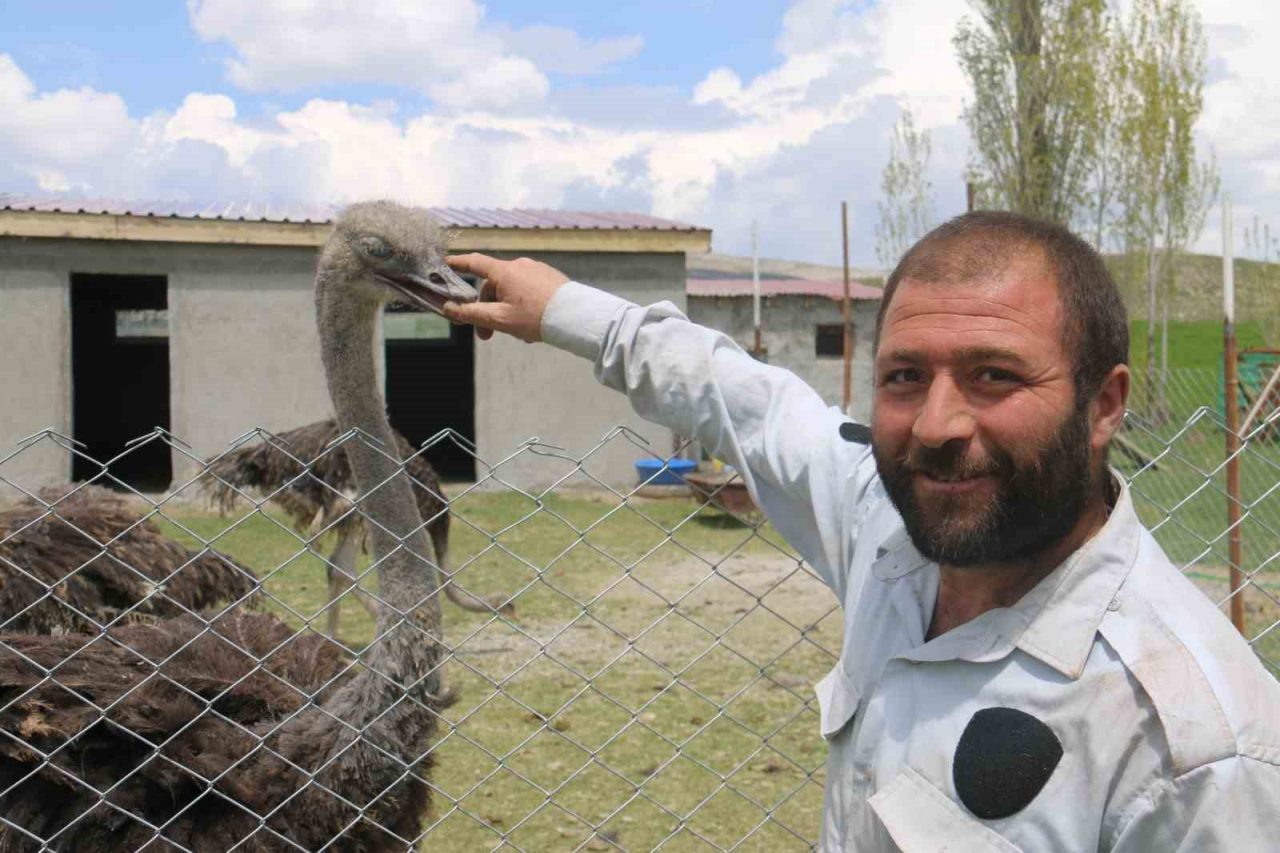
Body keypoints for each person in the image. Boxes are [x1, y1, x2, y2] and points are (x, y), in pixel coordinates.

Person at [443, 211, 1280, 851]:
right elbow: (744, 398)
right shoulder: (893, 535)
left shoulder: (1198, 747)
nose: (937, 424)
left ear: (1103, 404)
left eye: (994, 375)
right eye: (905, 377)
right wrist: (565, 308)